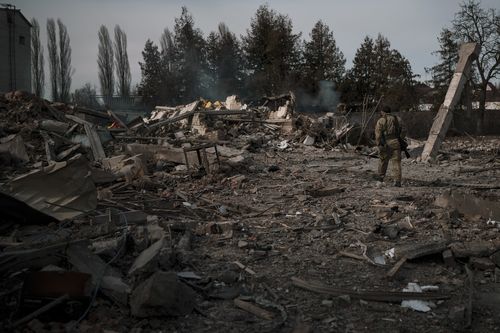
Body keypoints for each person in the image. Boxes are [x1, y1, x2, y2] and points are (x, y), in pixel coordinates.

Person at [374, 106, 405, 187]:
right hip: (395, 142)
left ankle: (380, 179)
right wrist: (401, 139)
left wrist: (379, 144)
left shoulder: (381, 120)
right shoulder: (398, 119)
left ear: (383, 112)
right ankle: (397, 181)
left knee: (383, 161)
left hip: (385, 143)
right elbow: (404, 130)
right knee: (396, 162)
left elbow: (378, 134)